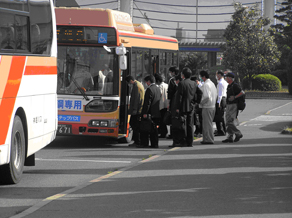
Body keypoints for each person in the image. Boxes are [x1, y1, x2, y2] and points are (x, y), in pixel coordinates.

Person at [173, 67, 197, 147]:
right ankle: (190, 141)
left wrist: (177, 107)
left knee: (182, 124)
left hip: (183, 106)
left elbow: (179, 97)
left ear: (183, 75)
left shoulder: (181, 83)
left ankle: (183, 140)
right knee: (190, 124)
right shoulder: (194, 83)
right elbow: (199, 93)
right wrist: (195, 102)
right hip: (191, 106)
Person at [138, 75, 161, 148]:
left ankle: (144, 143)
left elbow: (147, 103)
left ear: (148, 82)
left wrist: (144, 112)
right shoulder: (158, 89)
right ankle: (155, 144)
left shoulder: (149, 89)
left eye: (146, 82)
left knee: (145, 129)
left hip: (149, 113)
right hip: (156, 112)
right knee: (154, 130)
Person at [222, 72, 245, 143]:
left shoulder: (235, 85)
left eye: (226, 77)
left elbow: (242, 92)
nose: (225, 78)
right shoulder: (229, 85)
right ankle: (230, 137)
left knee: (229, 121)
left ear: (229, 78)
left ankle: (238, 133)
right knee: (227, 121)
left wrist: (234, 97)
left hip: (233, 105)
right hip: (229, 105)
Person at [126, 75, 145, 146]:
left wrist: (134, 110)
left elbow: (137, 99)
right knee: (134, 125)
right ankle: (136, 141)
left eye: (128, 83)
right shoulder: (137, 85)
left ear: (131, 81)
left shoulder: (137, 86)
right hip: (136, 110)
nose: (129, 85)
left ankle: (138, 141)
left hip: (137, 110)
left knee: (135, 126)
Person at [199, 70, 217, 144]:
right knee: (208, 123)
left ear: (203, 77)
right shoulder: (212, 83)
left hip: (207, 106)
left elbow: (206, 96)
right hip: (212, 106)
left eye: (200, 76)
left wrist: (200, 102)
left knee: (207, 124)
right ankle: (207, 138)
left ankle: (208, 139)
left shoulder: (206, 84)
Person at [167, 66, 180, 139]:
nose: (170, 74)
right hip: (180, 101)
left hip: (173, 102)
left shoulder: (172, 80)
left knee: (173, 118)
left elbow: (170, 93)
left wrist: (168, 103)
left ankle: (172, 134)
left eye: (170, 72)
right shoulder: (181, 79)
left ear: (173, 72)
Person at [154, 73, 169, 138]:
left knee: (161, 120)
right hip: (167, 104)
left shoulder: (159, 87)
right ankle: (164, 131)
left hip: (161, 105)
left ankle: (163, 132)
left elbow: (159, 95)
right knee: (164, 119)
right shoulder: (167, 85)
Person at [214, 70, 228, 136]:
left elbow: (220, 94)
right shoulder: (225, 82)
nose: (216, 76)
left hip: (220, 99)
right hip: (224, 99)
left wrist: (218, 103)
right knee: (222, 116)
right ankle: (224, 130)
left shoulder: (220, 83)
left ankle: (220, 130)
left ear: (219, 75)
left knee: (218, 116)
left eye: (217, 74)